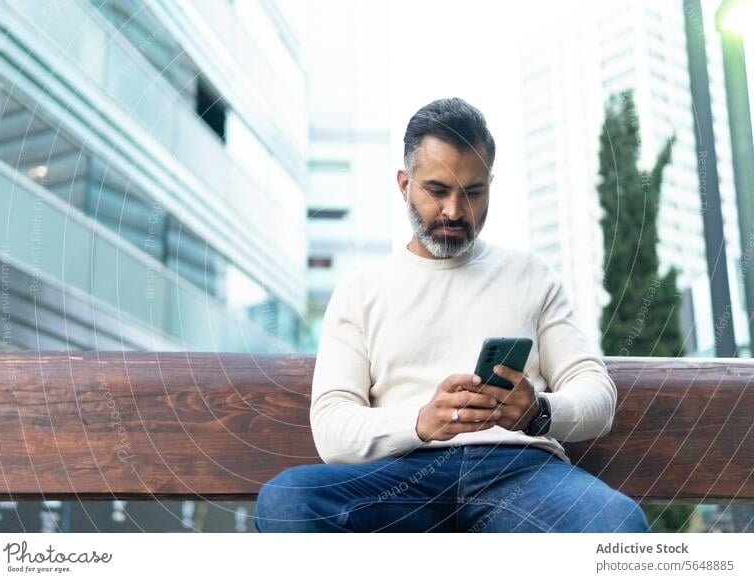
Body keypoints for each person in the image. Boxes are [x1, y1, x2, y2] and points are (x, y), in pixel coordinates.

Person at [254, 97, 649, 533]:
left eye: (473, 192)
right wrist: (422, 422)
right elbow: (331, 426)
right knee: (288, 501)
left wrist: (538, 411)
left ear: (490, 185)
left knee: (616, 524)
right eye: (437, 190)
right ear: (404, 184)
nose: (455, 212)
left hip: (519, 472)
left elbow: (597, 395)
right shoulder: (360, 291)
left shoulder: (531, 275)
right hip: (401, 476)